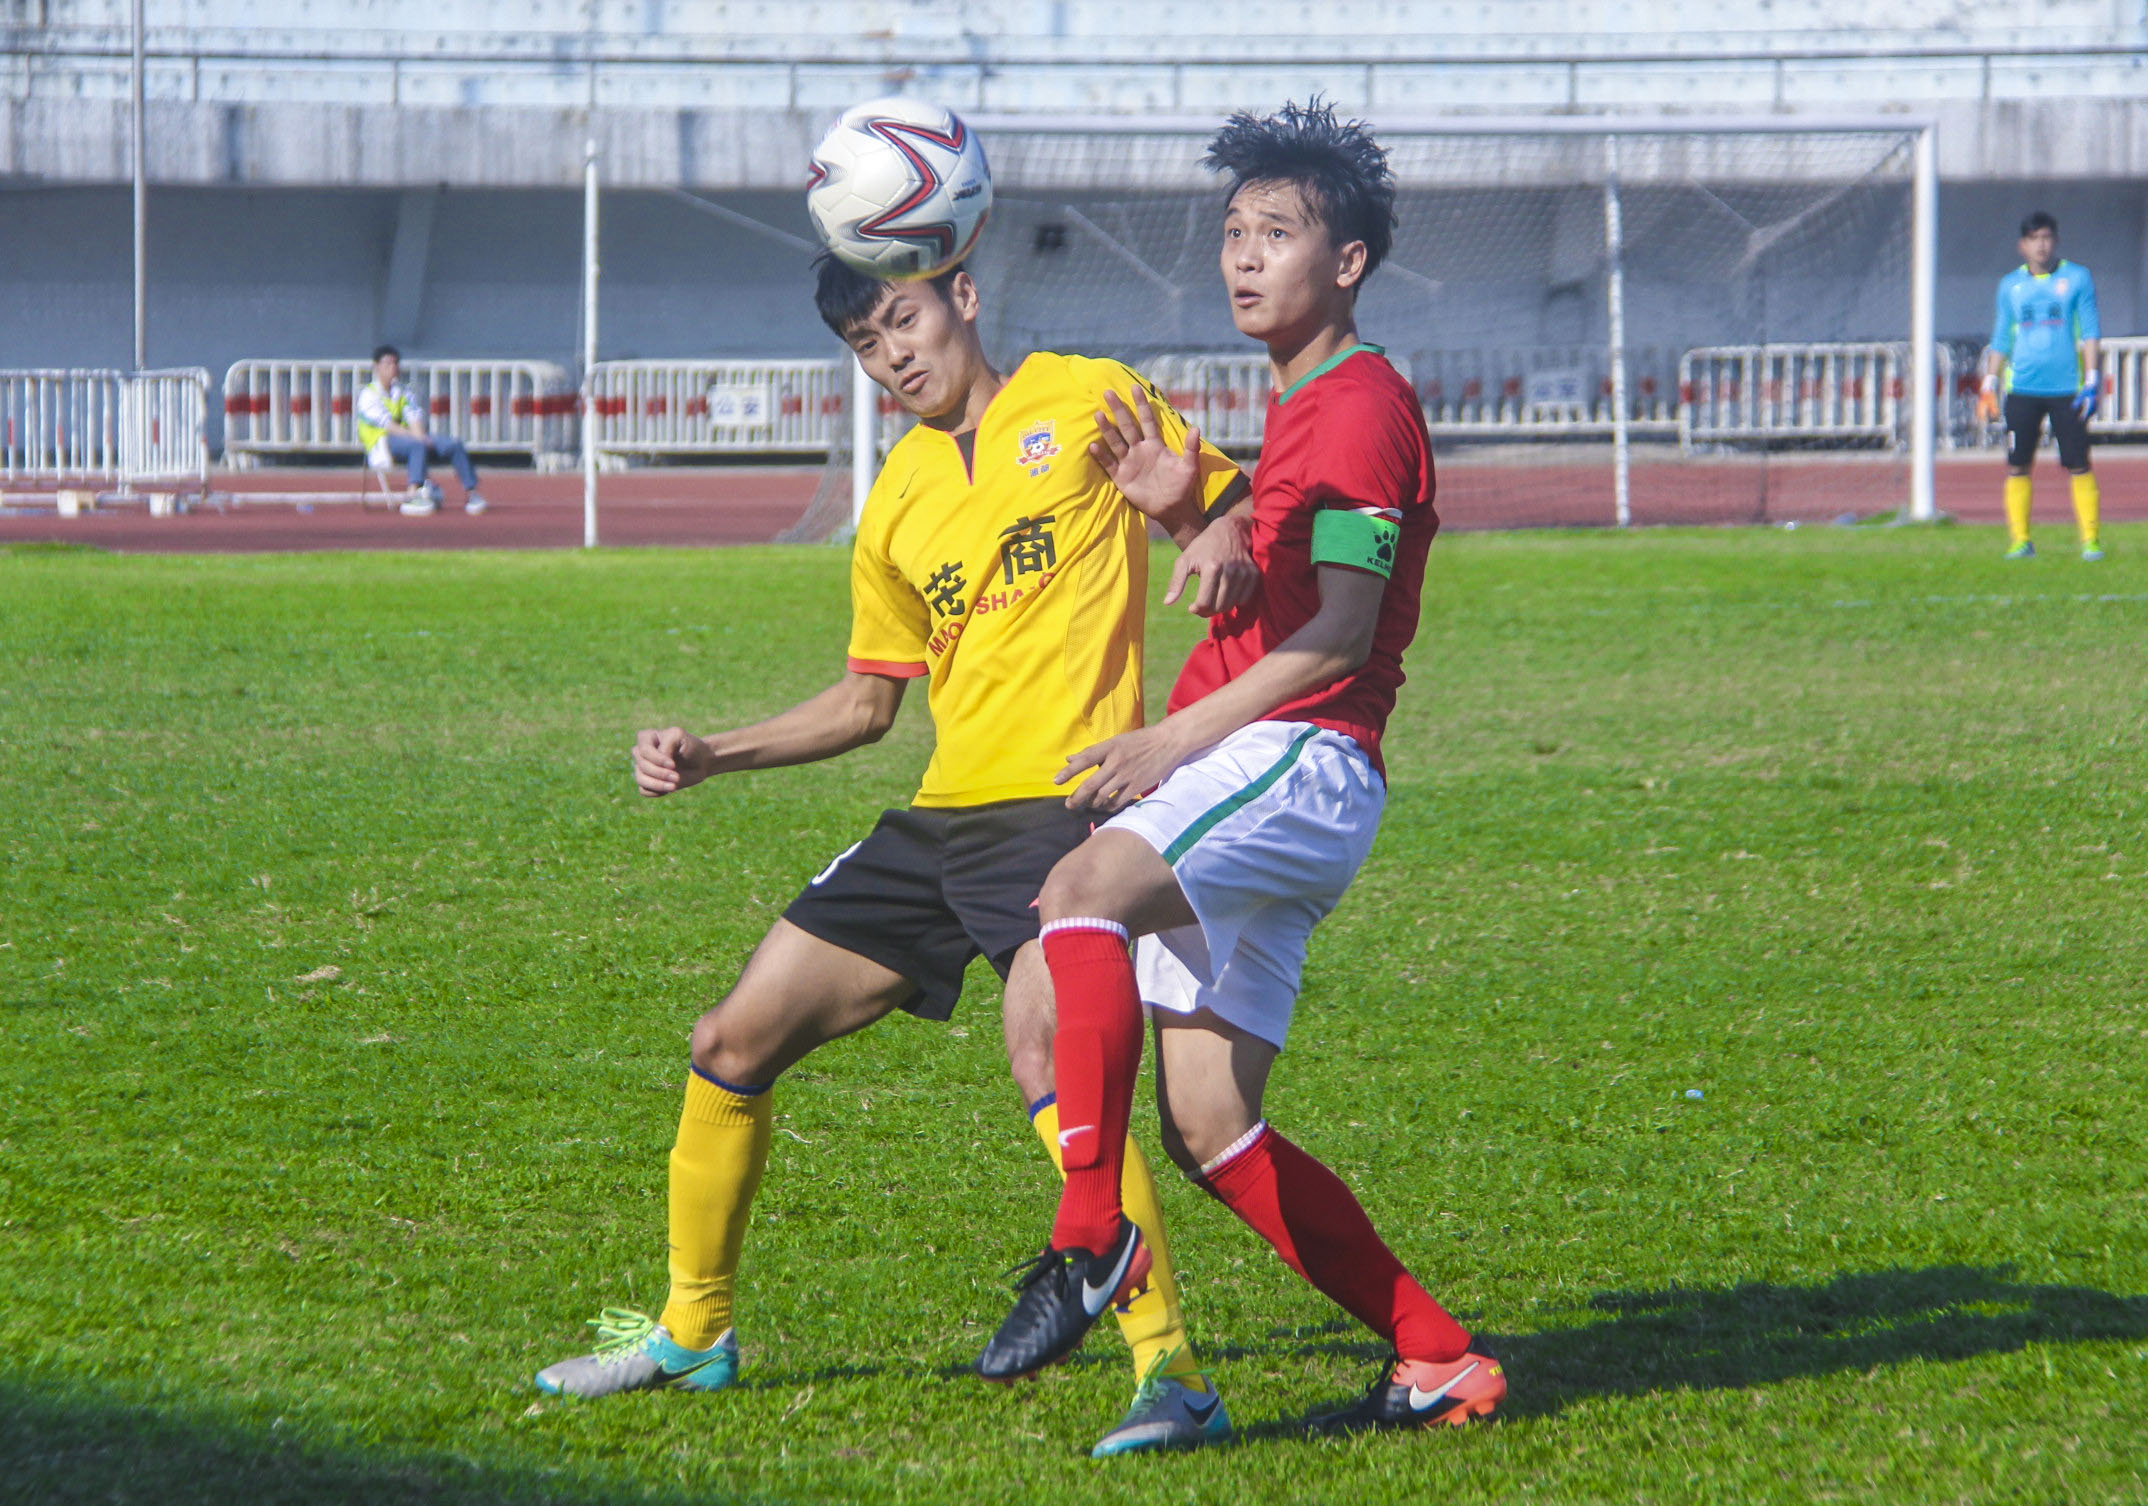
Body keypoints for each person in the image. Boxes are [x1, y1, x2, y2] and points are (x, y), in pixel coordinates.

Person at [534, 253, 1258, 1457]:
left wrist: (1203, 520)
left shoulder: (1086, 395)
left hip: (1069, 809)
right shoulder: (899, 499)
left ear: (963, 295)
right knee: (730, 1040)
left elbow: (1225, 501)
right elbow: (872, 703)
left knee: (1053, 1060)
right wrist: (717, 752)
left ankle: (1170, 1373)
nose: (895, 357)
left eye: (906, 322)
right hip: (937, 821)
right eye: (869, 347)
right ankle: (693, 1332)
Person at [977, 100, 1507, 1434]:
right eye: (1233, 231)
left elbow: (1338, 638)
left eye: (1280, 232)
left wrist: (1166, 742)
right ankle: (1440, 1356)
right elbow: (1295, 599)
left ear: (1350, 264)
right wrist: (1194, 524)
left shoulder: (1363, 406)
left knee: (1076, 895)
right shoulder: (1308, 410)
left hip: (1300, 760)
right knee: (1210, 1124)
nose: (1246, 256)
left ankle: (1091, 1232)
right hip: (1270, 767)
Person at [1977, 212, 2103, 561]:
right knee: (2018, 464)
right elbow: (2001, 337)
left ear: (2055, 241)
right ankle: (2020, 541)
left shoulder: (2077, 278)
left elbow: (2090, 331)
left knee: (2079, 463)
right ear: (2023, 246)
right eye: (2034, 238)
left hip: (2068, 389)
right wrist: (1989, 383)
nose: (2041, 245)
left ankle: (2090, 541)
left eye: (2047, 237)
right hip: (2023, 389)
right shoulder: (2010, 286)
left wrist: (2091, 382)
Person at [357, 345, 488, 517]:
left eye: (396, 363)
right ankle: (413, 494)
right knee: (417, 445)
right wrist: (418, 438)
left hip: (412, 438)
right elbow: (388, 425)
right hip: (382, 443)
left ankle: (472, 493)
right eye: (388, 363)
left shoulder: (402, 391)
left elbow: (414, 415)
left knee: (453, 445)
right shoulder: (369, 395)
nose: (393, 367)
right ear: (376, 366)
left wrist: (420, 436)